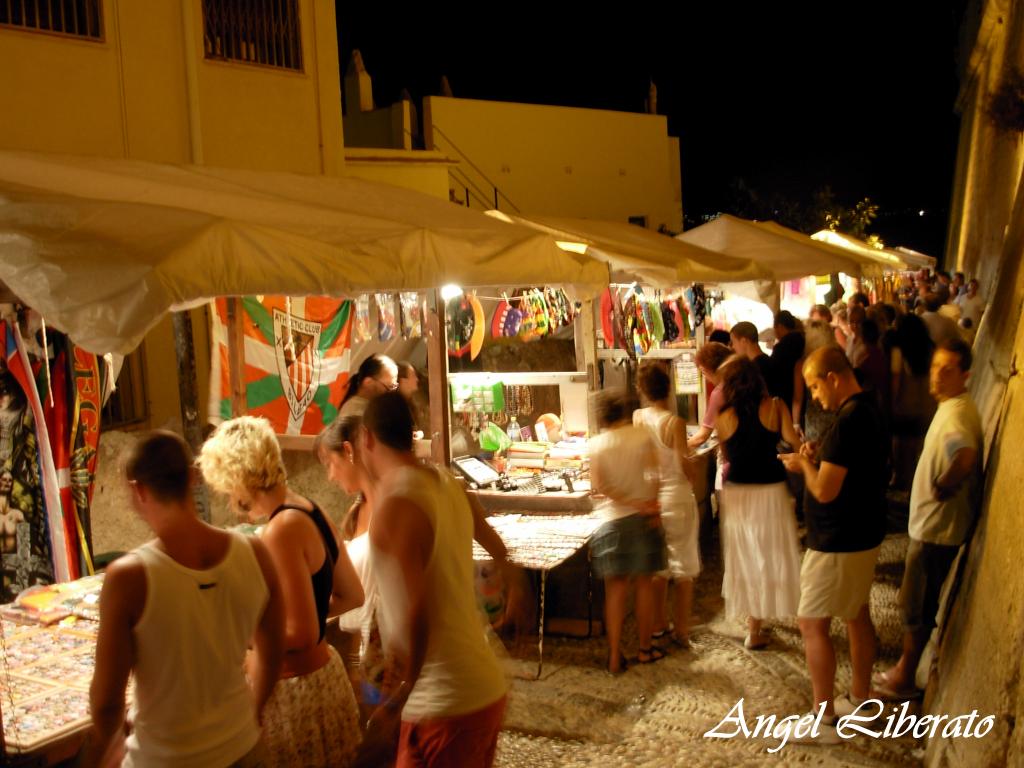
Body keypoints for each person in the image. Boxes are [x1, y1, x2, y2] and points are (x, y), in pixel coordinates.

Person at [86, 431, 286, 768]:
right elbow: (272, 652)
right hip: (243, 748)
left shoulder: (129, 577)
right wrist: (252, 712)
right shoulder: (254, 553)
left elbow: (106, 702)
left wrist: (109, 744)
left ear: (137, 489)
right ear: (193, 478)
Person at [199, 416, 364, 767]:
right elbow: (352, 595)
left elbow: (300, 633)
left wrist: (240, 636)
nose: (230, 500)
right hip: (323, 678)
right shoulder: (309, 508)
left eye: (229, 489)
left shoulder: (280, 530)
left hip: (295, 691)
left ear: (240, 478)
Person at [360, 392, 508, 767]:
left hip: (443, 702)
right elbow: (498, 549)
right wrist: (507, 603)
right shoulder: (447, 482)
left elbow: (418, 611)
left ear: (366, 439)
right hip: (480, 689)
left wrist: (398, 698)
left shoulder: (395, 506)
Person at [778, 347, 889, 743]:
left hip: (839, 539)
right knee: (856, 612)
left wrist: (803, 464)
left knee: (812, 623)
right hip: (862, 532)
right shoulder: (868, 407)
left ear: (834, 377)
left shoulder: (849, 420)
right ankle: (860, 698)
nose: (814, 395)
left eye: (814, 385)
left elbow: (825, 490)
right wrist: (819, 454)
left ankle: (822, 720)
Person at [874, 339, 983, 699]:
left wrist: (943, 485)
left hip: (937, 529)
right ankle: (904, 669)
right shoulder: (954, 406)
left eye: (946, 370)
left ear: (965, 375)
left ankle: (905, 676)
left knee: (916, 606)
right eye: (935, 368)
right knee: (915, 601)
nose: (936, 376)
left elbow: (963, 456)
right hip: (934, 525)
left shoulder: (955, 414)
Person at [715, 357, 803, 650]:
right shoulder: (776, 407)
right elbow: (792, 442)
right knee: (771, 553)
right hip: (770, 489)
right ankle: (769, 620)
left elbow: (727, 457)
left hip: (738, 492)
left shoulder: (723, 416)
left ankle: (753, 628)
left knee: (747, 556)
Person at [588, 388, 666, 672]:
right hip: (643, 517)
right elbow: (654, 473)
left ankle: (613, 655)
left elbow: (599, 486)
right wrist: (650, 502)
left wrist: (626, 499)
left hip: (609, 521)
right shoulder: (642, 436)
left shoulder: (596, 444)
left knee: (615, 590)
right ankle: (645, 649)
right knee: (644, 584)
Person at [634, 364, 701, 648]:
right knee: (683, 567)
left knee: (659, 566)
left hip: (652, 495)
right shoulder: (674, 422)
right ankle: (682, 630)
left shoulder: (638, 418)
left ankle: (660, 624)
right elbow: (682, 463)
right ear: (669, 389)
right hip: (676, 495)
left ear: (643, 391)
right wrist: (695, 476)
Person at [890, 314, 937, 491]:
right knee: (920, 449)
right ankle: (917, 487)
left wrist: (892, 405)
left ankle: (902, 482)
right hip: (927, 406)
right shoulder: (931, 348)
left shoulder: (899, 350)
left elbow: (896, 380)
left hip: (905, 407)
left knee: (902, 449)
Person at [687, 341, 734, 449]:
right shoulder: (745, 381)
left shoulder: (720, 392)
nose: (706, 379)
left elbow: (701, 437)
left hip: (735, 454)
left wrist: (678, 447)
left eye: (703, 372)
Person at [769, 310, 805, 417]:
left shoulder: (782, 348)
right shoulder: (802, 341)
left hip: (787, 398)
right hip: (802, 398)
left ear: (779, 326)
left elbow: (775, 374)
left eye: (774, 328)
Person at [729, 321, 772, 386]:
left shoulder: (753, 371)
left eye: (733, 342)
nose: (733, 347)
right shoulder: (770, 361)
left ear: (744, 341)